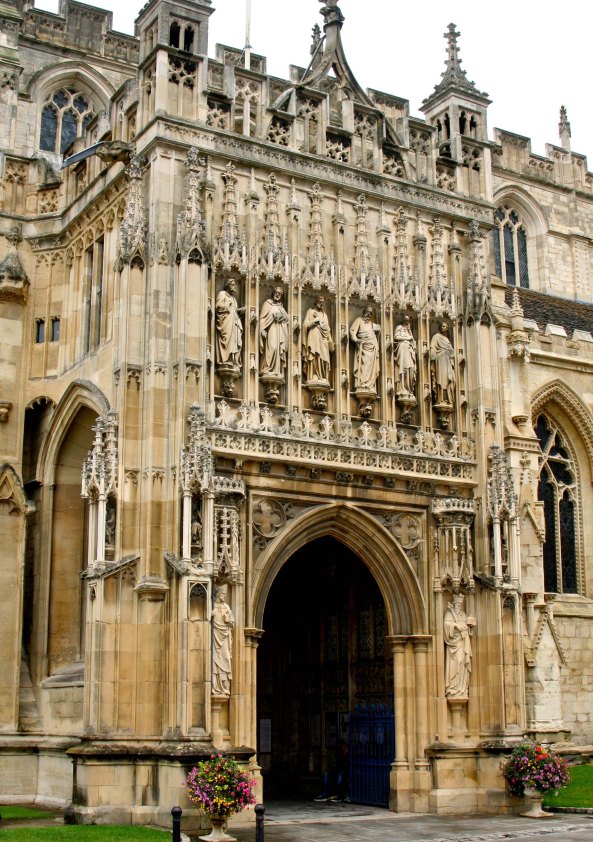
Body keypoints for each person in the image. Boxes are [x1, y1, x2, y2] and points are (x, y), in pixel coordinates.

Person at [443, 593, 475, 698]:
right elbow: (446, 624)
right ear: (454, 603)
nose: (460, 606)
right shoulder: (449, 613)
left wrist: (469, 625)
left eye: (461, 604)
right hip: (454, 644)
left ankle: (461, 688)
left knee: (462, 663)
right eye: (458, 604)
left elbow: (467, 626)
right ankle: (453, 687)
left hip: (463, 641)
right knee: (457, 662)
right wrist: (456, 625)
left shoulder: (463, 614)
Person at [302, 295, 335, 383]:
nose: (321, 304)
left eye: (322, 302)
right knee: (314, 354)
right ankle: (313, 375)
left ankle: (323, 376)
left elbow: (327, 330)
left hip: (324, 339)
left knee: (324, 357)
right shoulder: (310, 311)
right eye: (320, 302)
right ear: (316, 302)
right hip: (314, 336)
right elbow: (305, 325)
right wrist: (313, 322)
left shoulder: (325, 315)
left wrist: (330, 341)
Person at [259, 285, 289, 379]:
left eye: (280, 294)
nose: (278, 295)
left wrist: (281, 317)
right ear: (273, 293)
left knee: (277, 348)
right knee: (272, 347)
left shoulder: (281, 307)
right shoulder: (267, 304)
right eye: (276, 293)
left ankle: (277, 370)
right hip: (271, 330)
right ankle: (267, 368)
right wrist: (262, 329)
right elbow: (262, 318)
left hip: (280, 331)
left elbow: (287, 318)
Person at [215, 278, 244, 370]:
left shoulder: (233, 298)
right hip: (226, 322)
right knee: (227, 339)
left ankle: (233, 360)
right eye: (232, 284)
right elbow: (218, 306)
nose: (234, 286)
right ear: (227, 285)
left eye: (234, 284)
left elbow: (233, 310)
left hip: (234, 322)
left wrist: (240, 311)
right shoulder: (222, 294)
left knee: (237, 341)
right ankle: (225, 361)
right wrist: (228, 306)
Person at [350, 307, 380, 392]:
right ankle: (362, 384)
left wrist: (378, 329)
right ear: (364, 312)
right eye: (367, 312)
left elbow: (378, 328)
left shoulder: (371, 323)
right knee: (364, 365)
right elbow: (352, 331)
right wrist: (356, 340)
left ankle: (370, 384)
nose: (368, 314)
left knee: (371, 366)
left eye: (370, 313)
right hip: (363, 347)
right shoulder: (358, 320)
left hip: (372, 347)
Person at [212, 585, 234, 697]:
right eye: (222, 594)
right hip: (215, 637)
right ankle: (216, 686)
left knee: (225, 658)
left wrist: (228, 620)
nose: (224, 596)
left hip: (224, 637)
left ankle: (224, 686)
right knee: (214, 661)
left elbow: (232, 622)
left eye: (225, 594)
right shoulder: (213, 606)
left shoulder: (227, 607)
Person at [430, 321, 455, 406]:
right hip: (440, 360)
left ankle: (447, 399)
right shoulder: (436, 337)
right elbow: (432, 347)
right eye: (442, 326)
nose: (443, 328)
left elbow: (452, 352)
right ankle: (440, 399)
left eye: (445, 326)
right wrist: (432, 354)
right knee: (440, 380)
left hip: (447, 362)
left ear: (447, 328)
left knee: (449, 380)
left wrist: (451, 352)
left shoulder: (447, 340)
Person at [393, 315, 417, 398]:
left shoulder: (409, 331)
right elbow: (396, 337)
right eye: (405, 320)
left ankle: (408, 389)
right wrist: (407, 338)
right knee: (403, 369)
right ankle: (401, 388)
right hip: (402, 351)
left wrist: (410, 336)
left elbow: (413, 343)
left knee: (410, 369)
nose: (407, 322)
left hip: (409, 352)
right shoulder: (399, 327)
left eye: (408, 320)